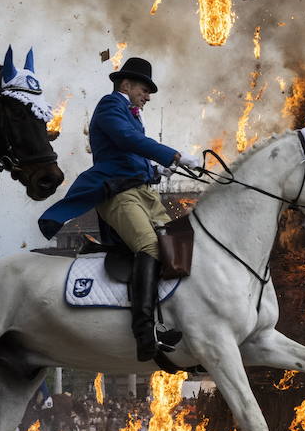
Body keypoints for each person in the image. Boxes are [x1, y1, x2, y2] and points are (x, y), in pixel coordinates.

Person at [38, 57, 200, 361]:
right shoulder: (110, 105)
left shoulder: (131, 114)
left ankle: (173, 320)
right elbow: (128, 140)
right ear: (125, 84)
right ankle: (144, 334)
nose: (148, 95)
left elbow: (130, 155)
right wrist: (173, 156)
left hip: (143, 193)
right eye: (144, 88)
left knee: (178, 244)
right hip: (119, 195)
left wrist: (155, 170)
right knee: (151, 246)